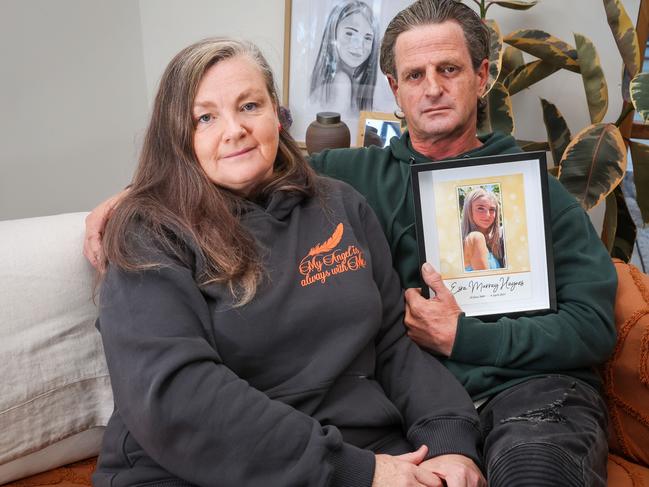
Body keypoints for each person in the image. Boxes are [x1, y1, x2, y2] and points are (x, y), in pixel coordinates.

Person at [85, 1, 617, 485]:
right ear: (393, 86)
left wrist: (461, 377)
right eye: (415, 74)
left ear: (482, 77)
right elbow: (230, 163)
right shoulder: (348, 175)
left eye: (448, 69)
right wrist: (142, 193)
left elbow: (592, 325)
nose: (431, 87)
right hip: (352, 441)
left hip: (521, 397)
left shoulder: (528, 191)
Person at [91, 37, 485, 487]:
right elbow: (177, 398)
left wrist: (451, 442)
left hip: (370, 453)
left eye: (250, 105)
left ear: (277, 114)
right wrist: (359, 472)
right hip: (200, 471)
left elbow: (395, 344)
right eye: (205, 117)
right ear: (178, 136)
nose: (234, 129)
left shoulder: (341, 204)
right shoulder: (149, 233)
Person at [310, 0, 379, 111]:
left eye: (367, 38)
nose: (359, 46)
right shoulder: (341, 82)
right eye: (350, 33)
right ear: (333, 32)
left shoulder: (335, 79)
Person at [460, 187, 505, 271]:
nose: (487, 215)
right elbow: (487, 283)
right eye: (480, 208)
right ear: (469, 210)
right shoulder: (476, 237)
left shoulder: (491, 243)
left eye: (492, 209)